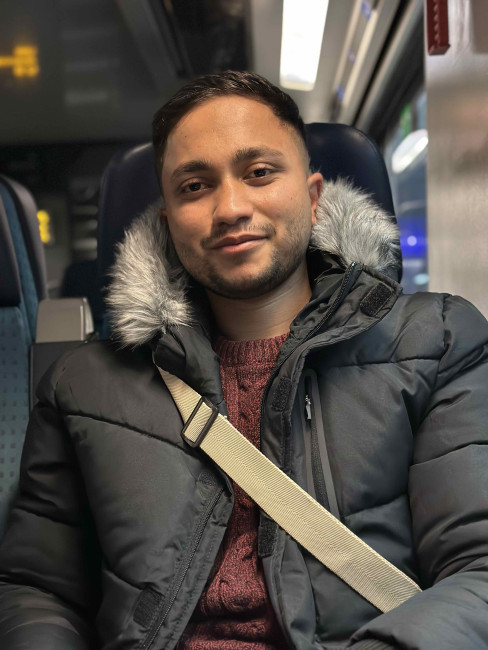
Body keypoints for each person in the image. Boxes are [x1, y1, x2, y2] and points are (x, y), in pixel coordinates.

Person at [0, 70, 487, 650]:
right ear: (167, 222)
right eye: (194, 186)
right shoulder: (83, 386)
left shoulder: (438, 342)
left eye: (259, 173)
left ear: (313, 197)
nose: (230, 207)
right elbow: (38, 589)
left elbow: (477, 569)